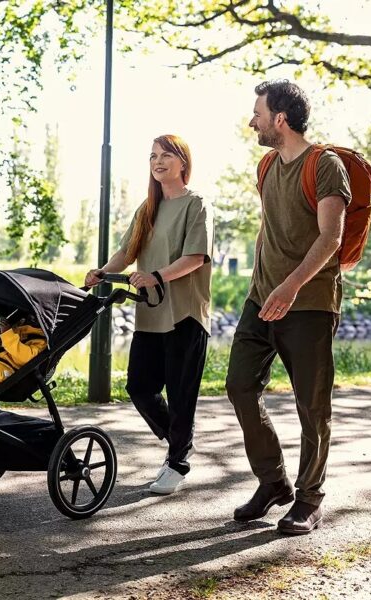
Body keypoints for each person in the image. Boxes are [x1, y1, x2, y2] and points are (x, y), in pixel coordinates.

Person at [226, 80, 351, 534]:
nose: (251, 120)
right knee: (240, 386)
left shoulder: (325, 165)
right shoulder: (265, 165)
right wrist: (262, 283)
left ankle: (309, 499)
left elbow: (331, 237)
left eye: (257, 112)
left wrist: (291, 287)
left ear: (280, 118)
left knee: (312, 407)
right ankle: (273, 482)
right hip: (261, 299)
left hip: (310, 304)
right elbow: (269, 229)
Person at [85, 134, 213, 495]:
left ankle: (177, 461)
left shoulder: (196, 204)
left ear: (183, 162)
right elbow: (127, 252)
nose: (158, 161)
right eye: (153, 156)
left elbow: (196, 257)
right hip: (150, 315)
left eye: (166, 155)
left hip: (185, 314)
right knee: (139, 388)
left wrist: (156, 275)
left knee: (180, 393)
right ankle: (179, 438)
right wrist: (101, 271)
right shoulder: (148, 207)